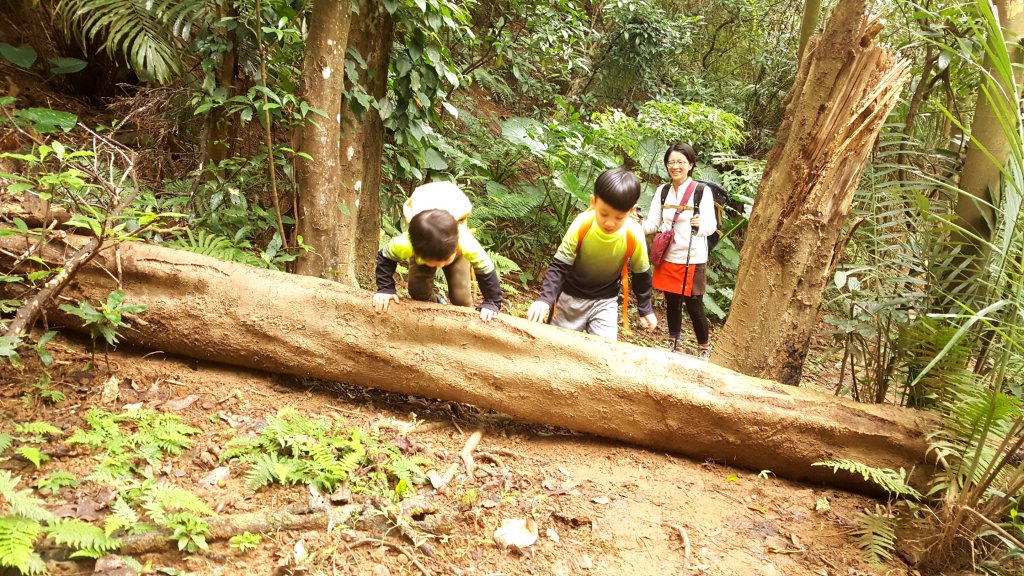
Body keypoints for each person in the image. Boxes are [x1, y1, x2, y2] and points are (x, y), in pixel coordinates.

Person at [526, 167, 657, 340]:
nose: (610, 223)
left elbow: (641, 273)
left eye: (619, 218)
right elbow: (559, 266)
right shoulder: (582, 223)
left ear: (631, 211)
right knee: (558, 346)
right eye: (604, 214)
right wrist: (545, 299)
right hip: (569, 298)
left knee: (604, 350)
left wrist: (645, 308)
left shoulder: (634, 233)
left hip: (605, 301)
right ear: (593, 202)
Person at [373, 181, 503, 321]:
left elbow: (485, 267)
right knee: (418, 292)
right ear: (416, 251)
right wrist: (385, 289)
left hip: (455, 254)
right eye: (435, 263)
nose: (440, 266)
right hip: (426, 251)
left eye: (444, 261)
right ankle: (436, 307)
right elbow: (386, 257)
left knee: (461, 298)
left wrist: (492, 302)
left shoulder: (464, 241)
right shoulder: (407, 243)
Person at [642, 143, 716, 359]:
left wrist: (699, 224)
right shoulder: (663, 191)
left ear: (690, 164)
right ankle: (673, 344)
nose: (675, 166)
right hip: (668, 256)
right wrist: (634, 225)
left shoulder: (702, 191)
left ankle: (704, 348)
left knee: (695, 306)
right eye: (671, 162)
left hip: (692, 258)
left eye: (680, 162)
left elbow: (710, 226)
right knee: (672, 303)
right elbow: (653, 223)